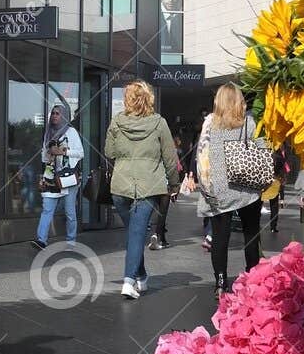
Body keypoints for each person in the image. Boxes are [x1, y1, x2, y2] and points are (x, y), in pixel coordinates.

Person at [105, 79, 178, 298]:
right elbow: (170, 158)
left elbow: (109, 151)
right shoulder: (159, 123)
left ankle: (141, 277)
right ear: (149, 99)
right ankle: (128, 282)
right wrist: (174, 184)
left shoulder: (117, 122)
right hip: (149, 185)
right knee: (136, 234)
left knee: (134, 234)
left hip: (120, 186)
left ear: (127, 99)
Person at [196, 84, 265, 295]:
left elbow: (202, 155)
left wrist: (206, 187)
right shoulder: (250, 122)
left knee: (219, 237)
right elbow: (261, 151)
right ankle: (252, 278)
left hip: (219, 186)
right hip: (247, 186)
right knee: (251, 233)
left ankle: (220, 282)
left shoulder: (210, 123)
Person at [32, 102, 83, 250]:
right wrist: (47, 155)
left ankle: (71, 241)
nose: (54, 116)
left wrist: (63, 152)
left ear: (64, 116)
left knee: (69, 212)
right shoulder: (48, 133)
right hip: (50, 177)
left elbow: (80, 153)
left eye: (57, 113)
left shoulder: (71, 132)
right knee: (47, 209)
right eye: (53, 113)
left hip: (67, 177)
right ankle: (41, 240)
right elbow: (43, 157)